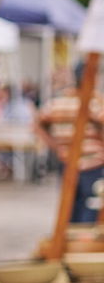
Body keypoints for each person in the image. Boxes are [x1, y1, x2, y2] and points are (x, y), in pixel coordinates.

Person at [36, 78, 104, 219]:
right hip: (92, 163)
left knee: (69, 208)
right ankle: (83, 240)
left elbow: (37, 125)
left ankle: (67, 237)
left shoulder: (57, 103)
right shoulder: (93, 103)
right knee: (91, 207)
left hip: (67, 161)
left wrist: (56, 147)